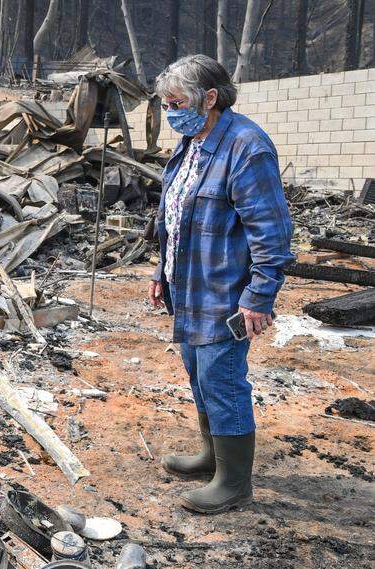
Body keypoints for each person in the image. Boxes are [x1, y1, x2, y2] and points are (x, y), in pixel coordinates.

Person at [149, 54, 293, 515]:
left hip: (226, 295)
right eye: (165, 104)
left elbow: (271, 234)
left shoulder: (247, 148)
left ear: (210, 98)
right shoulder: (192, 142)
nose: (170, 112)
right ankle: (213, 455)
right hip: (190, 288)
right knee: (198, 372)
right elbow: (175, 217)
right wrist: (160, 271)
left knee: (223, 379)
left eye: (177, 103)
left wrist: (259, 296)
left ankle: (233, 483)